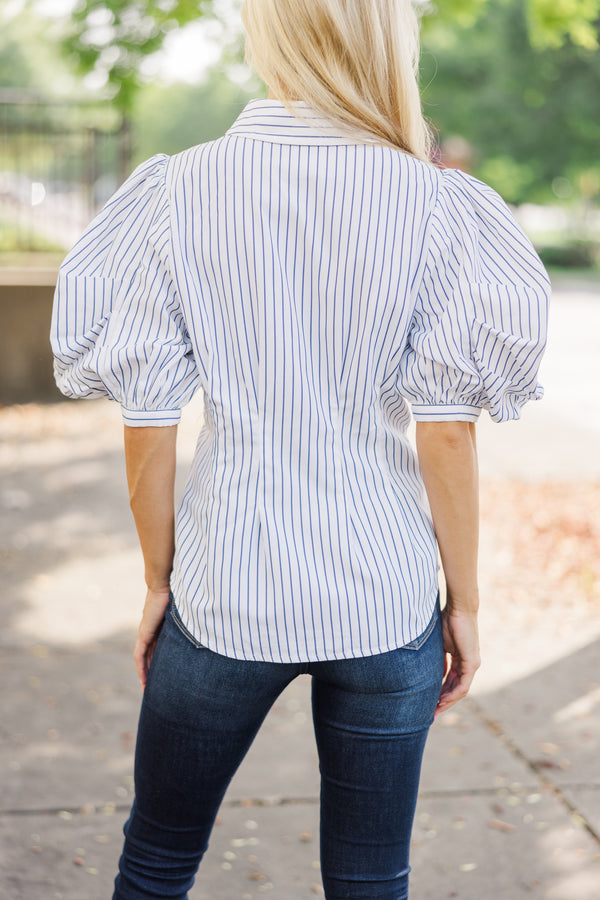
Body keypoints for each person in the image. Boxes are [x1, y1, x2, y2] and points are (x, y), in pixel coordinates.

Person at [50, 1, 550, 897]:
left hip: (223, 587)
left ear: (266, 35)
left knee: (159, 859)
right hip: (386, 595)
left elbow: (150, 426)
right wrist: (462, 602)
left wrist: (160, 584)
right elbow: (445, 429)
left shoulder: (176, 192)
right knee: (369, 878)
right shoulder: (437, 204)